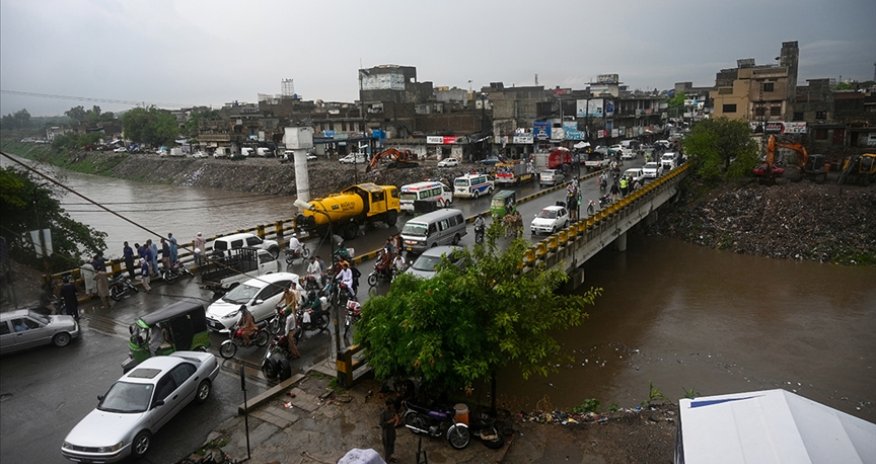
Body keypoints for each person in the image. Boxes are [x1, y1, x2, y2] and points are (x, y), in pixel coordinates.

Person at [380, 398, 401, 462]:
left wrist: (397, 420)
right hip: (386, 433)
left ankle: (390, 458)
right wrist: (390, 421)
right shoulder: (383, 413)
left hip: (392, 431)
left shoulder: (392, 410)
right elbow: (382, 424)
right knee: (387, 448)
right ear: (387, 405)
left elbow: (396, 418)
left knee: (391, 445)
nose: (392, 407)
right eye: (391, 406)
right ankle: (387, 461)